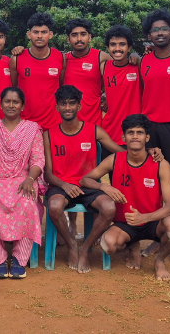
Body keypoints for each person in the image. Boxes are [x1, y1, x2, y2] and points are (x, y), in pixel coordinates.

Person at [82, 114, 170, 280]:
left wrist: (143, 217)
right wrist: (104, 186)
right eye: (130, 132)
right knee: (108, 245)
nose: (135, 136)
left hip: (153, 222)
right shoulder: (114, 160)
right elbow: (85, 179)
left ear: (147, 137)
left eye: (140, 132)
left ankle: (159, 261)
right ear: (123, 137)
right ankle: (132, 246)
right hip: (125, 223)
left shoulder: (161, 164)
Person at [44, 85, 122, 274]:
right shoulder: (48, 134)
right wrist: (64, 185)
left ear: (79, 106)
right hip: (62, 185)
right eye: (63, 104)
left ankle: (85, 248)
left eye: (72, 104)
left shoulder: (94, 131)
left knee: (109, 207)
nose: (68, 108)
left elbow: (121, 153)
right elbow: (48, 174)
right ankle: (72, 245)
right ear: (57, 107)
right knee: (54, 206)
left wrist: (148, 151)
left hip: (89, 185)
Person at [137, 8, 170, 264]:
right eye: (155, 29)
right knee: (154, 186)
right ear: (149, 34)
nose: (159, 33)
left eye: (164, 29)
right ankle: (158, 239)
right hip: (151, 129)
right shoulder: (143, 61)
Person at [0, 87, 45, 279]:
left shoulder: (33, 129)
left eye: (16, 102)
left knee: (27, 203)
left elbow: (38, 160)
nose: (11, 105)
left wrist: (30, 180)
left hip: (24, 178)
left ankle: (19, 259)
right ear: (0, 104)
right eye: (7, 101)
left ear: (22, 106)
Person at [10, 13, 66, 130]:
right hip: (24, 123)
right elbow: (14, 88)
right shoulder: (17, 59)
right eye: (36, 32)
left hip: (53, 123)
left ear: (50, 35)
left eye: (44, 32)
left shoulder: (60, 58)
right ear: (29, 34)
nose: (40, 36)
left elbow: (60, 86)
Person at [101, 25, 141, 155]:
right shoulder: (103, 67)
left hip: (133, 132)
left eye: (122, 44)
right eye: (113, 44)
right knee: (112, 174)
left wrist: (137, 56)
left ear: (129, 47)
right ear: (108, 47)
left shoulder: (138, 66)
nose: (117, 48)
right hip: (109, 132)